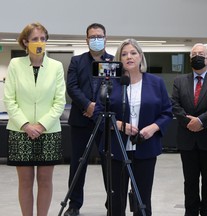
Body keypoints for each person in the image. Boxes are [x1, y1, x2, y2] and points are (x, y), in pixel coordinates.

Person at [94, 38, 173, 216]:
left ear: (140, 56)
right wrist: (119, 125)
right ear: (118, 59)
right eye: (124, 54)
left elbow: (167, 112)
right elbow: (98, 113)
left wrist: (152, 128)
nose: (129, 56)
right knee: (115, 200)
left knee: (142, 199)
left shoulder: (156, 82)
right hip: (114, 150)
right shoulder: (109, 82)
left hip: (145, 148)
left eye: (133, 53)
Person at [3, 22, 66, 216]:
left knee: (46, 181)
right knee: (25, 182)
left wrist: (41, 125)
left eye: (43, 39)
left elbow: (59, 101)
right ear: (25, 42)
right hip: (20, 131)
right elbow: (9, 99)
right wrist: (26, 125)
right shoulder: (15, 64)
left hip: (49, 131)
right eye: (35, 39)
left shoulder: (56, 66)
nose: (40, 42)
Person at [65, 23, 113, 216]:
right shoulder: (77, 61)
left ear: (105, 38)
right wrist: (88, 105)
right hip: (81, 121)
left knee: (109, 164)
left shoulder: (112, 61)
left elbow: (113, 90)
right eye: (92, 36)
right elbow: (72, 87)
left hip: (104, 123)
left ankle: (112, 204)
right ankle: (74, 205)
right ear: (86, 39)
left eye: (99, 36)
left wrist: (97, 108)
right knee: (78, 164)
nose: (95, 39)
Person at [171, 43, 207, 216]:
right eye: (194, 54)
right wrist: (189, 122)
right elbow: (175, 104)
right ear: (190, 59)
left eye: (201, 54)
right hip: (187, 138)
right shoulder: (179, 81)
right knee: (189, 181)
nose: (197, 56)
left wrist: (201, 121)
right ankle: (190, 212)